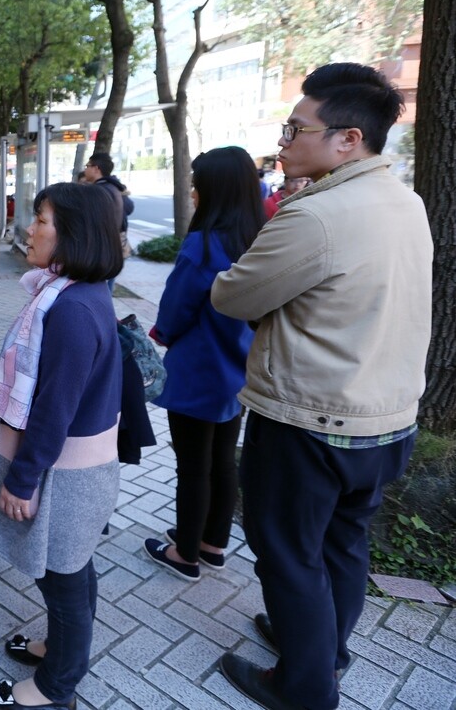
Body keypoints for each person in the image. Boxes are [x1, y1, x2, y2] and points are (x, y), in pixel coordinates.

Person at [211, 63, 432, 710]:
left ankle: (304, 688)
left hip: (311, 421)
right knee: (342, 542)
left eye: (295, 129)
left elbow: (232, 295)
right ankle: (322, 645)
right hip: (386, 419)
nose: (284, 142)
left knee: (285, 555)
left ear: (347, 140)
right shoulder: (405, 201)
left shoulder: (317, 215)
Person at [0, 183, 124, 710]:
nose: (32, 229)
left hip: (65, 473)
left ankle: (55, 687)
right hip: (79, 468)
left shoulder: (71, 310)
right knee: (71, 569)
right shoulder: (72, 294)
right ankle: (59, 651)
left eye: (42, 220)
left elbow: (53, 410)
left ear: (73, 235)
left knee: (63, 581)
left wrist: (22, 480)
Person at [141, 147, 265, 582]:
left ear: (214, 190)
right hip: (238, 367)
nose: (193, 191)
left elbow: (178, 305)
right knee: (222, 461)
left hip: (199, 367)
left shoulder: (204, 243)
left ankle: (185, 554)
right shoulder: (259, 237)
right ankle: (213, 544)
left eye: (198, 184)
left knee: (192, 465)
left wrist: (163, 336)